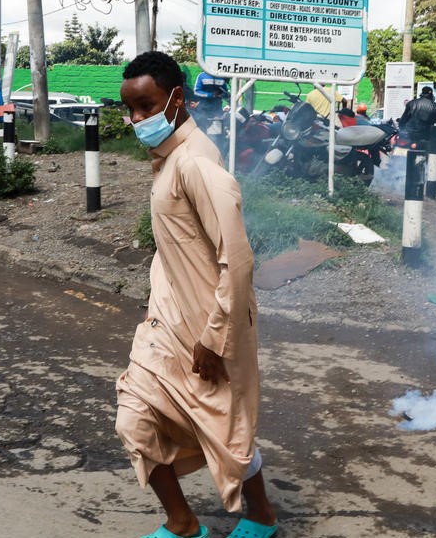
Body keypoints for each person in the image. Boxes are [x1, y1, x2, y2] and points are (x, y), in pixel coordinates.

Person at [116, 51, 279, 538]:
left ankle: (262, 517)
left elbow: (238, 259)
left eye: (147, 106)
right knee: (135, 419)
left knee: (223, 427)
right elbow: (173, 250)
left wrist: (212, 339)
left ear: (176, 99)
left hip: (212, 326)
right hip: (167, 322)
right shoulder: (167, 160)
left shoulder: (195, 164)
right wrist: (156, 302)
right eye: (131, 110)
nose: (138, 119)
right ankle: (183, 523)